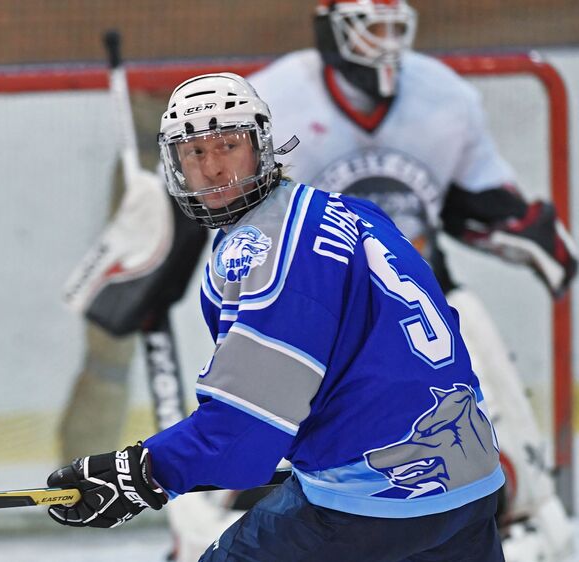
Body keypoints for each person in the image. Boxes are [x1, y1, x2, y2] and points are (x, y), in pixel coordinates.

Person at [46, 72, 507, 561]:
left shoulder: (264, 249)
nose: (213, 168)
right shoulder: (353, 212)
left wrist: (142, 472)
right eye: (194, 153)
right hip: (471, 489)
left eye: (227, 145)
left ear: (261, 146)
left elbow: (245, 433)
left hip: (373, 503)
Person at [232, 2, 576, 560]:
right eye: (371, 29)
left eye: (395, 28)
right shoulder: (272, 102)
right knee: (268, 447)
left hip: (426, 295)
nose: (386, 45)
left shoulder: (445, 96)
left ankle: (524, 510)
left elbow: (475, 199)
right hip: (321, 314)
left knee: (503, 441)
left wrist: (518, 225)